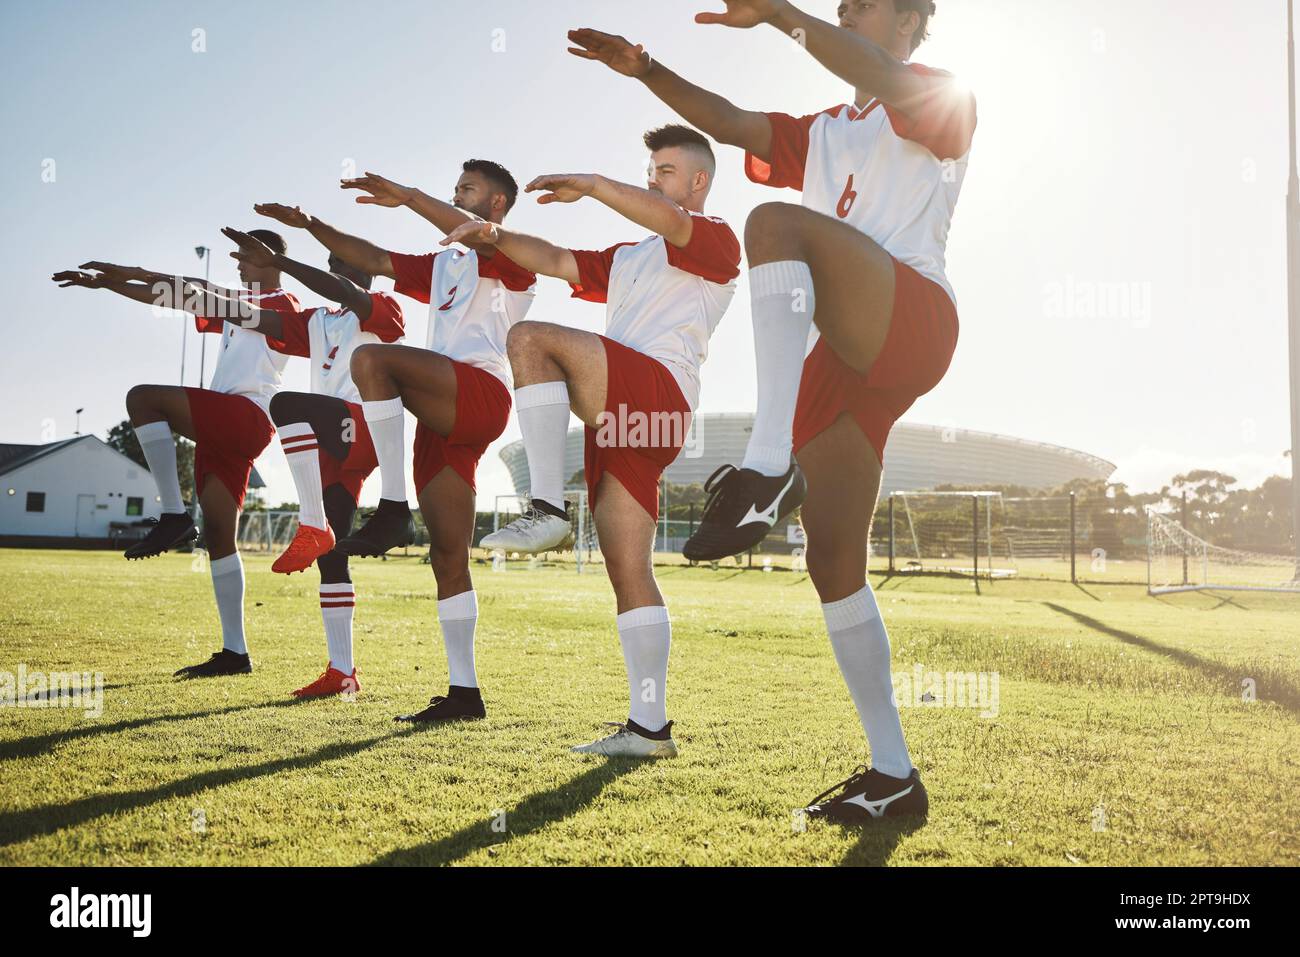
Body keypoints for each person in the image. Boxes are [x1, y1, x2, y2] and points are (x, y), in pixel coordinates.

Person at [568, 0, 975, 817]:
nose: (847, 10)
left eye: (862, 4)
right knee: (834, 562)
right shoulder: (824, 128)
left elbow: (876, 76)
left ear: (908, 21)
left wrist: (779, 16)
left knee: (774, 222)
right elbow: (730, 120)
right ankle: (894, 775)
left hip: (912, 315)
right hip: (845, 358)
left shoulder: (940, 90)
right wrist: (647, 70)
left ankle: (764, 464)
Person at [457, 124, 741, 757]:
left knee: (529, 341)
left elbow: (670, 219)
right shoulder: (629, 255)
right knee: (628, 571)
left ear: (697, 181)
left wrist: (590, 184)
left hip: (658, 392)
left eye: (664, 170)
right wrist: (496, 236)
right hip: (622, 415)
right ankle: (650, 728)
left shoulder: (716, 238)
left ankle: (548, 510)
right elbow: (557, 260)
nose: (652, 178)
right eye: (650, 168)